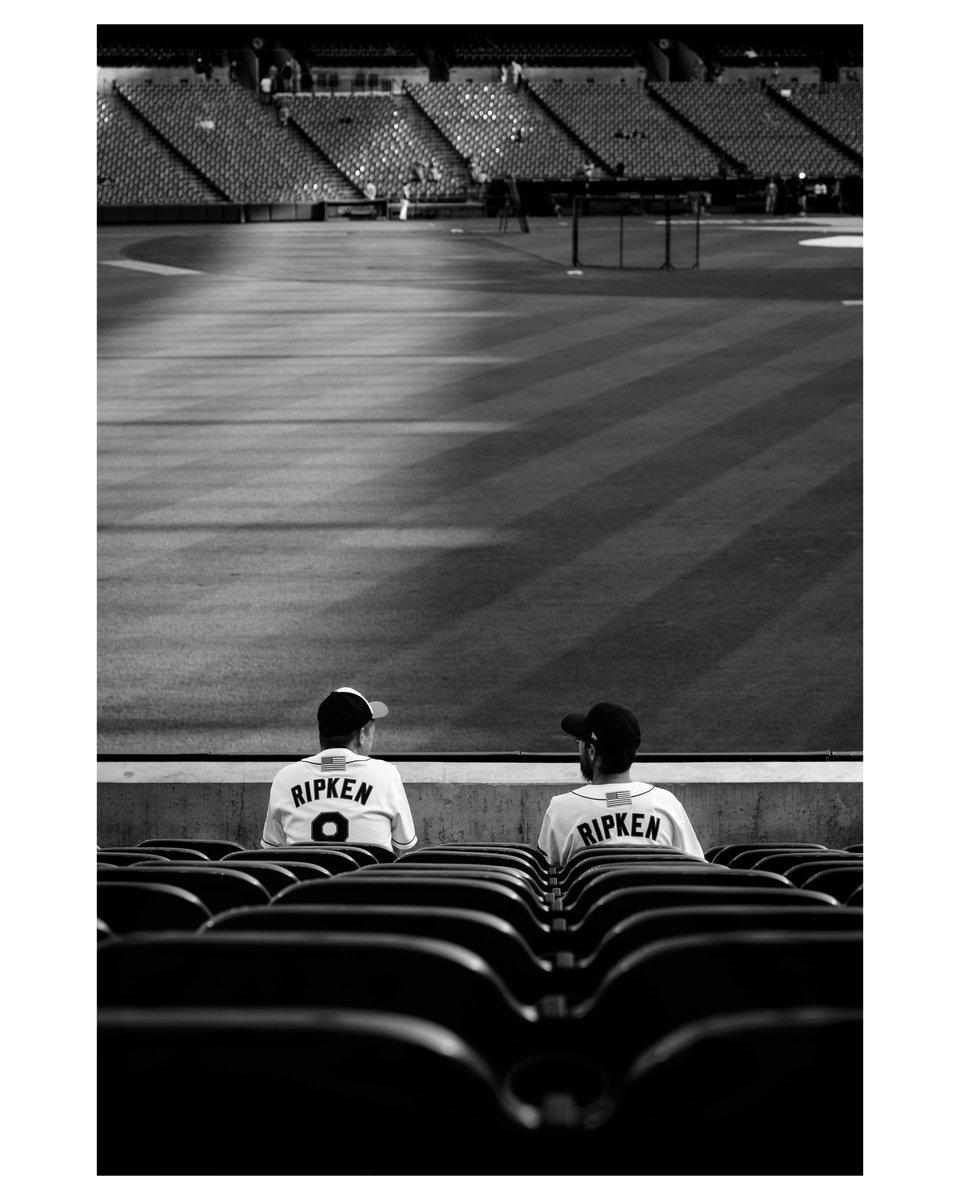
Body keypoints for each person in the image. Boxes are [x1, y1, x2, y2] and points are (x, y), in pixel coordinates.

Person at [536, 702, 704, 865]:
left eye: (580, 741)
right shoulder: (667, 804)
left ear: (592, 751)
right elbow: (697, 869)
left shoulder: (561, 809)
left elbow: (546, 877)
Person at [261, 686, 418, 855]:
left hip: (308, 880)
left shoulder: (286, 778)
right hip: (368, 880)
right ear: (362, 735)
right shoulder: (386, 774)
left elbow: (273, 851)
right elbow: (400, 847)